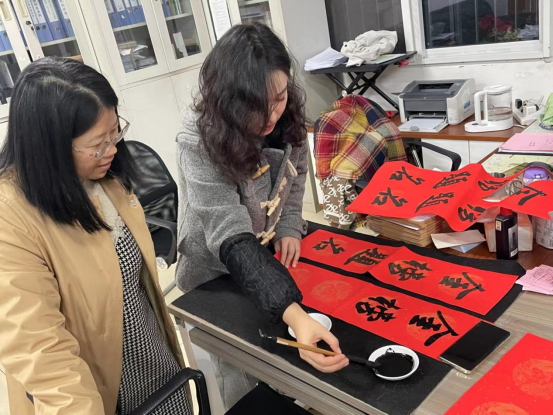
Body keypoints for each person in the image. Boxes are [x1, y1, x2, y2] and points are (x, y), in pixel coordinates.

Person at [0, 57, 190, 415]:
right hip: (92, 388)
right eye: (97, 144)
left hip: (151, 359)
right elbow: (40, 350)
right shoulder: (10, 216)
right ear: (50, 146)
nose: (112, 149)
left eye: (115, 133)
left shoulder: (106, 177)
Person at [176, 23, 349, 409]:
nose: (272, 114)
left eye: (280, 97)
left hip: (263, 253)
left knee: (279, 357)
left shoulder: (285, 117)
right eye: (257, 105)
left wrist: (288, 225)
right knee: (240, 368)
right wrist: (296, 316)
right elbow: (230, 234)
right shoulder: (199, 138)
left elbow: (296, 174)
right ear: (230, 100)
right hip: (215, 270)